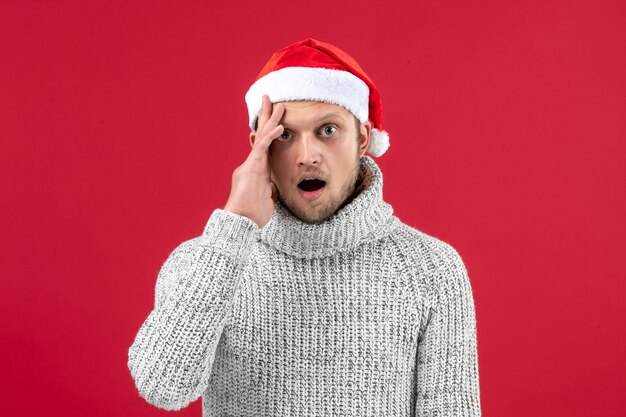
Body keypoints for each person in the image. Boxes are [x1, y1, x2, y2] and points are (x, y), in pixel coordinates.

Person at [128, 38, 481, 416]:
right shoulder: (204, 263)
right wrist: (236, 226)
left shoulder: (431, 269)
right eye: (285, 135)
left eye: (328, 130)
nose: (307, 156)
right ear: (258, 147)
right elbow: (162, 386)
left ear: (362, 138)